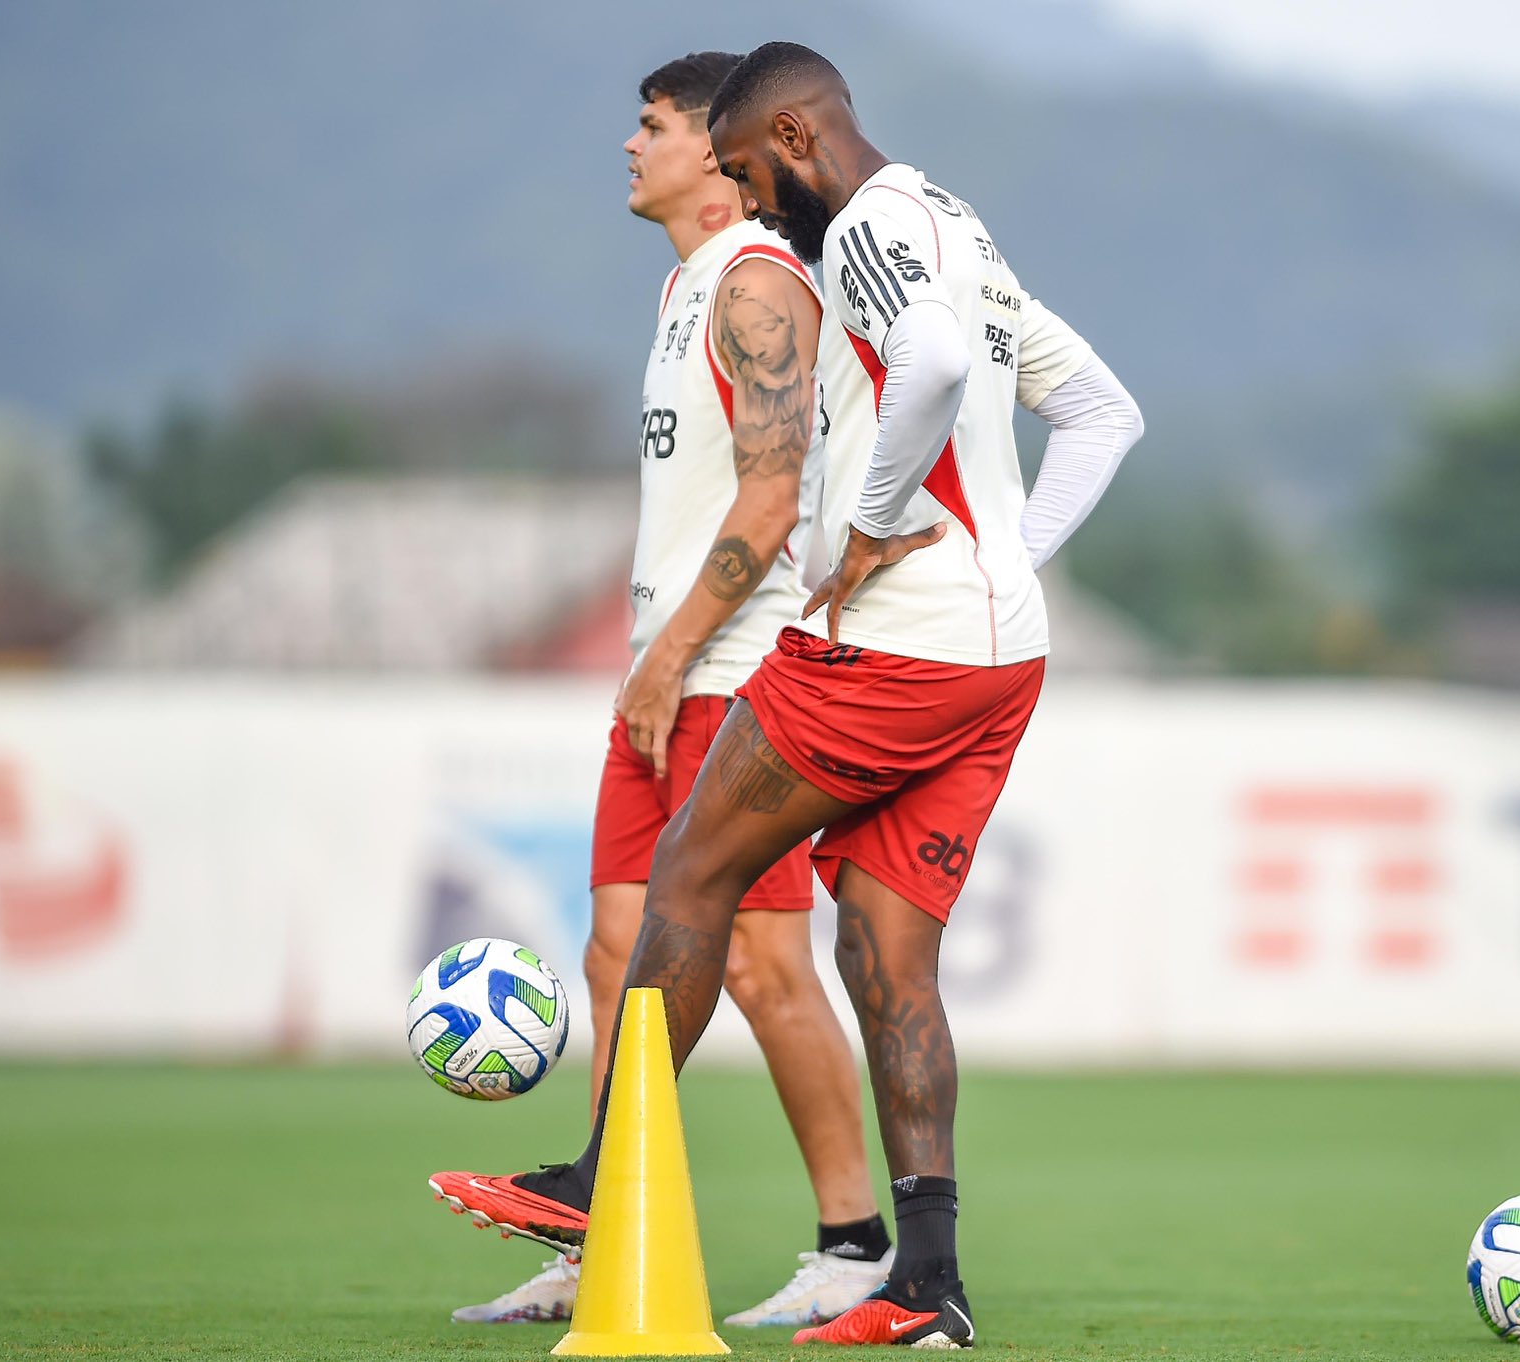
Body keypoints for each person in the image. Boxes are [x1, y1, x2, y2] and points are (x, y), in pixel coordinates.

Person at [433, 40, 1142, 1349]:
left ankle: (599, 1183)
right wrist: (1009, 559)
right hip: (1000, 653)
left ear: (798, 146)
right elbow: (1104, 414)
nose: (760, 208)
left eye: (758, 177)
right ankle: (925, 1282)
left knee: (691, 878)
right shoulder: (957, 225)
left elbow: (925, 361)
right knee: (884, 954)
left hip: (891, 651)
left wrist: (872, 521)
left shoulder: (866, 224)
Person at [427, 50, 893, 1329]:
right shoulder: (685, 288)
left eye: (649, 126)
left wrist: (676, 648)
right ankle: (593, 1243)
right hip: (667, 678)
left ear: (714, 145)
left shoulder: (756, 283)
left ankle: (854, 1246)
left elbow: (771, 493)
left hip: (735, 678)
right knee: (613, 950)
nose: (627, 148)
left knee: (759, 965)